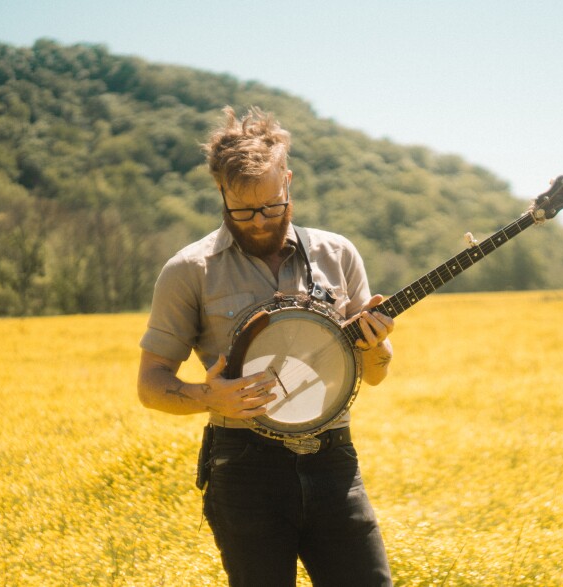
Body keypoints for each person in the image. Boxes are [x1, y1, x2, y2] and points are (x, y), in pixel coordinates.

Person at [137, 106, 395, 586]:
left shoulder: (337, 255)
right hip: (244, 470)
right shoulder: (188, 270)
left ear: (289, 182)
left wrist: (376, 346)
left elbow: (375, 373)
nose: (259, 221)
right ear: (220, 192)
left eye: (272, 206)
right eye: (242, 209)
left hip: (333, 460)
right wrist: (207, 397)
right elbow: (150, 384)